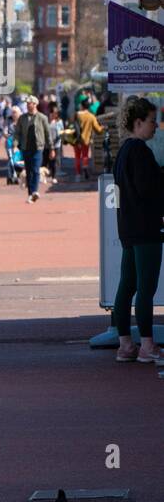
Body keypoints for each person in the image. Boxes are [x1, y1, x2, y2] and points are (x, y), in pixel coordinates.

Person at [112, 96, 164, 364]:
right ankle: (147, 345)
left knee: (127, 285)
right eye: (153, 122)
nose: (156, 127)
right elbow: (149, 190)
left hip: (128, 228)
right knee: (146, 287)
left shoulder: (123, 152)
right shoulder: (141, 152)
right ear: (138, 122)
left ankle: (125, 344)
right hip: (147, 228)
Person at [15, 95, 49, 202]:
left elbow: (47, 133)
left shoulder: (42, 118)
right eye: (27, 104)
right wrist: (16, 145)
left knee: (35, 169)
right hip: (26, 147)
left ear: (35, 104)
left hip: (38, 147)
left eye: (30, 103)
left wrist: (51, 148)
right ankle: (30, 193)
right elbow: (17, 133)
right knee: (29, 171)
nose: (28, 105)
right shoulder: (22, 118)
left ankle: (35, 191)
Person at [74, 96, 104, 181]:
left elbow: (74, 126)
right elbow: (98, 129)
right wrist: (102, 127)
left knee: (77, 157)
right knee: (85, 156)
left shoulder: (77, 115)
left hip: (76, 140)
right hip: (86, 140)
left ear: (82, 106)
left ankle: (78, 175)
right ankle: (85, 169)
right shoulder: (91, 117)